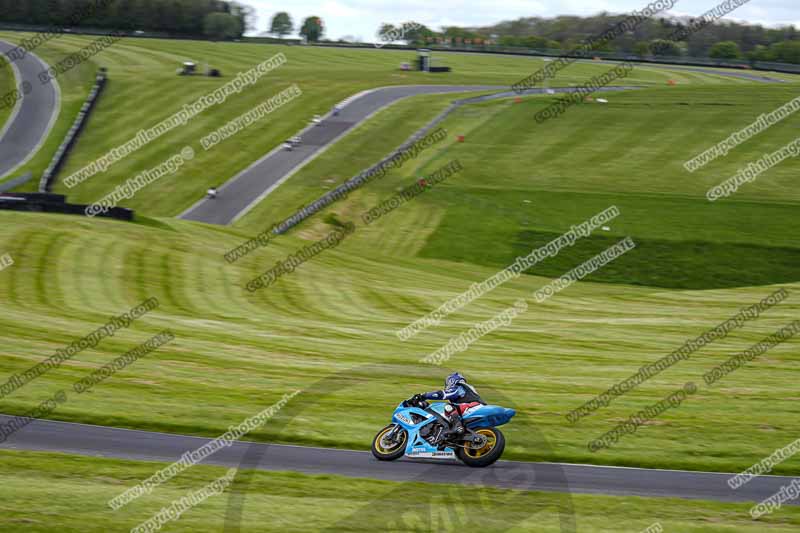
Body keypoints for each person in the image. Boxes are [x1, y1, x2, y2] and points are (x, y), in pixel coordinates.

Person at [410, 372, 485, 436]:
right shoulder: (468, 390)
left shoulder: (460, 387)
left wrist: (424, 395)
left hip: (473, 407)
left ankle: (457, 426)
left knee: (448, 407)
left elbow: (443, 394)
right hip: (473, 409)